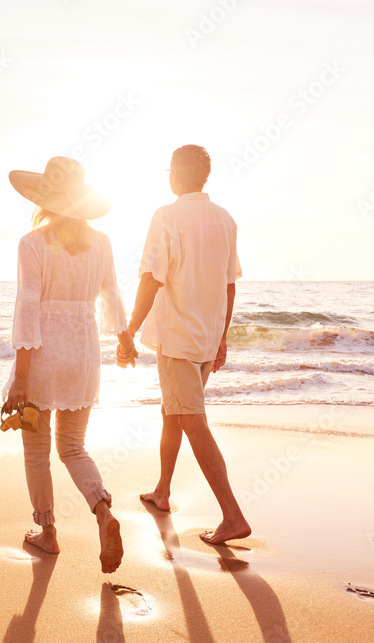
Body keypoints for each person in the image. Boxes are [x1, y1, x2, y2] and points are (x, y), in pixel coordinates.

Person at [116, 144, 251, 545]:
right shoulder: (225, 220)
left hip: (177, 339)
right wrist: (222, 337)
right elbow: (229, 285)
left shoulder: (167, 216)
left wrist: (128, 330)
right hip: (207, 339)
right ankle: (162, 491)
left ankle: (232, 516)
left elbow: (151, 278)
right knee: (173, 413)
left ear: (175, 173)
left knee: (192, 420)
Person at [3, 156, 128, 573]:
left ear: (45, 198)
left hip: (41, 357)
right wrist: (123, 338)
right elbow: (111, 294)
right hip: (83, 354)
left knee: (37, 451)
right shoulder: (103, 242)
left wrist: (21, 377)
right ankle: (103, 511)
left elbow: (28, 308)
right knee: (73, 446)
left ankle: (48, 533)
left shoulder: (33, 243)